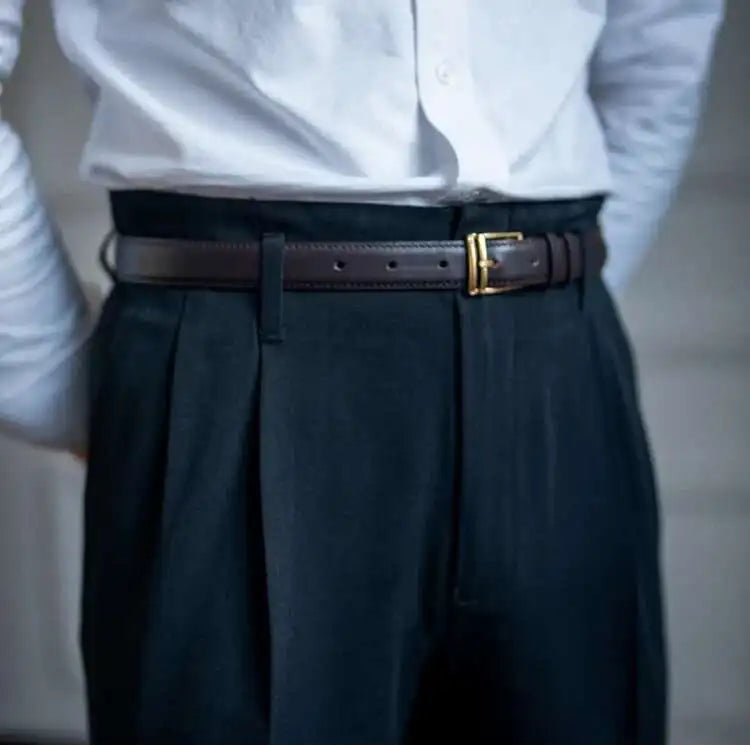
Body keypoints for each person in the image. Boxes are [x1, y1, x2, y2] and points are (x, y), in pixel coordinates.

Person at [0, 2, 724, 744]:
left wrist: (557, 303)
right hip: (240, 360)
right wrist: (58, 375)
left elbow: (661, 48)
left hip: (560, 367)